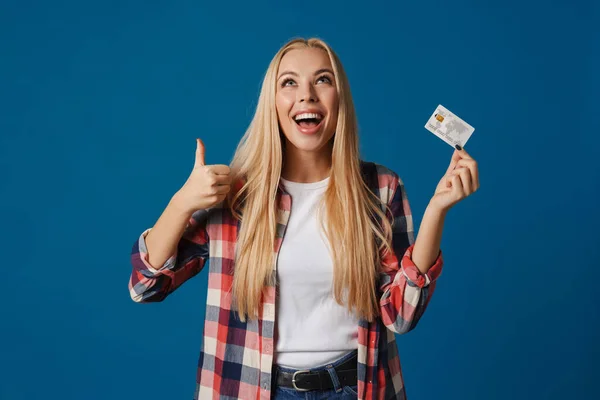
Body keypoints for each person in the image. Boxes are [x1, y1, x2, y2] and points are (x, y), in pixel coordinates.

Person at [128, 37, 480, 400]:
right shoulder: (235, 195)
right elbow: (145, 286)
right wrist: (181, 202)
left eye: (323, 80)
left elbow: (401, 316)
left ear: (339, 98)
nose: (307, 95)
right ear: (273, 103)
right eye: (289, 82)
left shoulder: (381, 188)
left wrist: (437, 210)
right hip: (252, 390)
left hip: (356, 389)